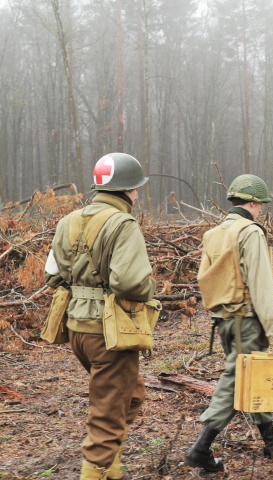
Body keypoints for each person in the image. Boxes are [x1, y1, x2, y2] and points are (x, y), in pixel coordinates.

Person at [44, 153, 156, 480]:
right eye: (136, 189)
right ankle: (97, 471)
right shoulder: (122, 223)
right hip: (109, 333)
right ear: (126, 190)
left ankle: (112, 471)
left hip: (77, 329)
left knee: (130, 397)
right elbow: (130, 282)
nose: (137, 195)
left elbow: (52, 276)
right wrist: (150, 286)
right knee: (106, 421)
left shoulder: (68, 221)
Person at [186, 174, 273, 472]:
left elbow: (207, 280)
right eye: (260, 204)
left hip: (224, 320)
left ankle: (271, 439)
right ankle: (200, 449)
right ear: (252, 203)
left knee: (253, 377)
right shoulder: (250, 232)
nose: (261, 209)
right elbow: (261, 285)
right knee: (235, 380)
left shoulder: (214, 233)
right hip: (246, 320)